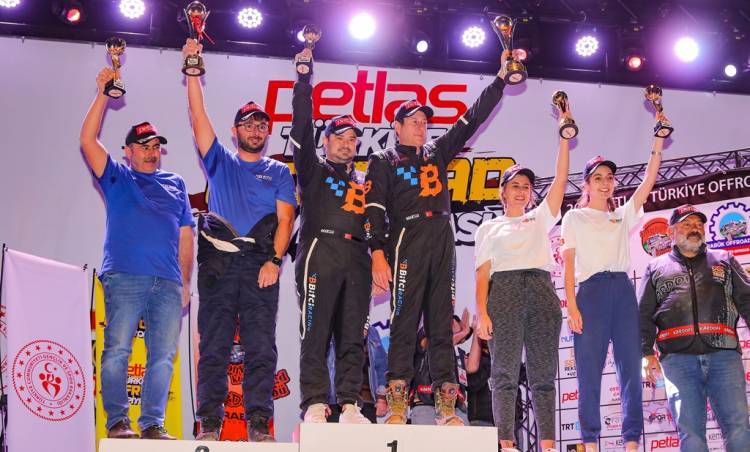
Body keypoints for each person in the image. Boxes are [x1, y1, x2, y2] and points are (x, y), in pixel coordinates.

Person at [365, 50, 512, 426]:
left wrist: (499, 79)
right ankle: (397, 404)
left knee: (441, 326)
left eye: (424, 121)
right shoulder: (383, 160)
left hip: (442, 237)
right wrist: (377, 253)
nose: (421, 126)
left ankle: (447, 406)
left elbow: (471, 118)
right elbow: (374, 210)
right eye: (413, 121)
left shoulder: (437, 151)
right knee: (403, 323)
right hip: (406, 238)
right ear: (397, 126)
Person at [182, 38, 296, 442]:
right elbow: (198, 116)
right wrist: (192, 70)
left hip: (260, 265)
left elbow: (286, 219)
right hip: (218, 264)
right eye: (248, 124)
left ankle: (259, 424)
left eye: (262, 125)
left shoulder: (278, 172)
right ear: (234, 132)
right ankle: (209, 424)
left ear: (268, 132)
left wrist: (275, 261)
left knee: (261, 347)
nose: (255, 130)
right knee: (213, 345)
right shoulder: (220, 160)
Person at [80, 68, 194, 440]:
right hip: (125, 276)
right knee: (117, 349)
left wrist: (185, 283)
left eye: (155, 146)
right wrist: (103, 94)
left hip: (168, 282)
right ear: (128, 152)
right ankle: (117, 421)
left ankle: (152, 423)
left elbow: (186, 234)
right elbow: (87, 140)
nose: (151, 152)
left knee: (163, 355)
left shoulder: (176, 183)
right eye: (143, 146)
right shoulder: (116, 175)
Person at [561, 133, 664, 451]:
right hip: (590, 294)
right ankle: (590, 442)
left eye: (609, 177)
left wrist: (657, 142)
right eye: (598, 178)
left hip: (622, 291)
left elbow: (648, 181)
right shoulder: (574, 217)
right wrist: (572, 306)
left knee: (631, 369)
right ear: (586, 184)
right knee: (588, 373)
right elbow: (568, 264)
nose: (605, 183)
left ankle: (631, 441)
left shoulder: (621, 214)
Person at [289, 46, 373, 424]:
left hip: (358, 258)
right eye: (339, 137)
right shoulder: (313, 169)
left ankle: (350, 403)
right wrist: (304, 81)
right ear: (325, 141)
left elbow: (378, 224)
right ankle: (314, 403)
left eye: (352, 138)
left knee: (353, 333)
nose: (346, 143)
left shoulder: (364, 180)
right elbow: (300, 128)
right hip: (319, 251)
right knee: (316, 331)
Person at [473, 125, 570, 451]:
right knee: (504, 373)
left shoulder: (541, 217)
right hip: (504, 293)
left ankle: (548, 444)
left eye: (526, 187)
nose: (521, 191)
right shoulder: (488, 228)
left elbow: (560, 180)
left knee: (543, 375)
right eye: (515, 186)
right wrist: (482, 314)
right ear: (502, 191)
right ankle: (507, 442)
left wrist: (564, 138)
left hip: (541, 291)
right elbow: (482, 275)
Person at [640, 204, 750, 452]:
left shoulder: (724, 259)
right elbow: (643, 313)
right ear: (671, 232)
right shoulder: (655, 267)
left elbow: (747, 300)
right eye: (687, 224)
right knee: (690, 434)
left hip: (724, 356)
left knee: (739, 428)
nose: (694, 229)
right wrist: (645, 352)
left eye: (699, 225)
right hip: (677, 360)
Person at [409, 311, 473, 425]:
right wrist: (463, 332)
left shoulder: (458, 352)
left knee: (463, 437)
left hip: (456, 406)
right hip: (425, 403)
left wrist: (474, 332)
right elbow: (433, 344)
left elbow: (472, 367)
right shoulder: (427, 331)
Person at [326, 322, 389, 424]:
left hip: (367, 402)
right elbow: (323, 365)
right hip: (336, 402)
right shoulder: (332, 329)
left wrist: (381, 398)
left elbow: (381, 366)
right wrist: (321, 400)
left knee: (368, 434)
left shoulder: (372, 332)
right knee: (336, 434)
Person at [465, 331, 493, 428]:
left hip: (507, 421)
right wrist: (489, 362)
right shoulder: (472, 360)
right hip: (480, 420)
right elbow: (471, 385)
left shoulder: (504, 360)